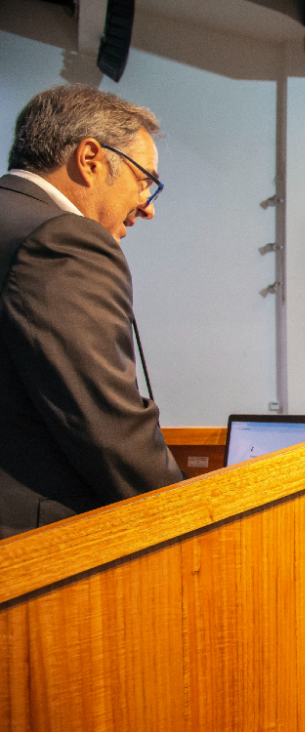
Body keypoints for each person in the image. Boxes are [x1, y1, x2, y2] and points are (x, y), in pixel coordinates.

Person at [0, 85, 185, 538]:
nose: (149, 208)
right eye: (146, 181)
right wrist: (189, 520)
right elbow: (109, 429)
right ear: (90, 159)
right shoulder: (62, 239)